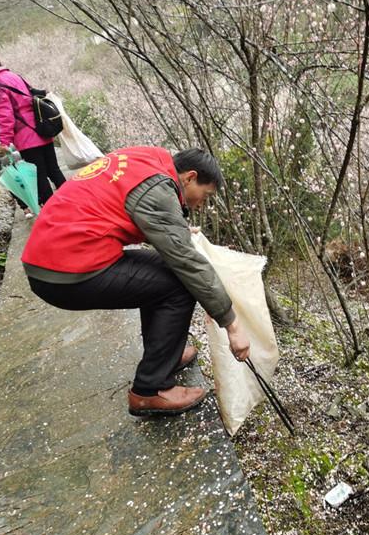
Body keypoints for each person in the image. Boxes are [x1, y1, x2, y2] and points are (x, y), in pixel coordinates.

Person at [21, 146, 250, 416]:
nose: (201, 203)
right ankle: (151, 390)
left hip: (52, 256)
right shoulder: (160, 191)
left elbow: (123, 206)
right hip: (66, 272)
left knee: (162, 271)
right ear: (189, 177)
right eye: (205, 195)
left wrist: (173, 226)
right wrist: (231, 324)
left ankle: (166, 357)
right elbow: (188, 262)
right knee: (179, 285)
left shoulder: (148, 160)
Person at [0, 53, 65, 206]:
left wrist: (4, 142)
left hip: (27, 138)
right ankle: (74, 202)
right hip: (41, 129)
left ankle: (56, 214)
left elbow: (5, 115)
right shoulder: (13, 75)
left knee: (40, 178)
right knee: (54, 170)